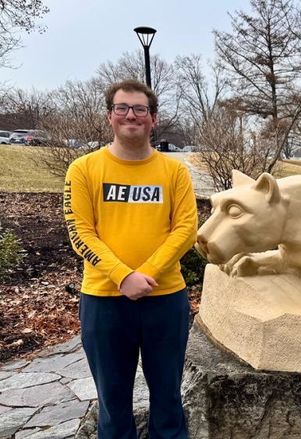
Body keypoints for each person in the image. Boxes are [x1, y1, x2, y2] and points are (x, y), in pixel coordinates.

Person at [64, 79, 197, 439]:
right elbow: (80, 232)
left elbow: (185, 228)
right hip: (104, 301)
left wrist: (148, 273)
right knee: (113, 405)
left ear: (153, 119)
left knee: (168, 402)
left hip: (165, 299)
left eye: (140, 109)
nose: (131, 115)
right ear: (109, 116)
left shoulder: (174, 172)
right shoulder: (83, 169)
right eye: (122, 108)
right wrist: (123, 276)